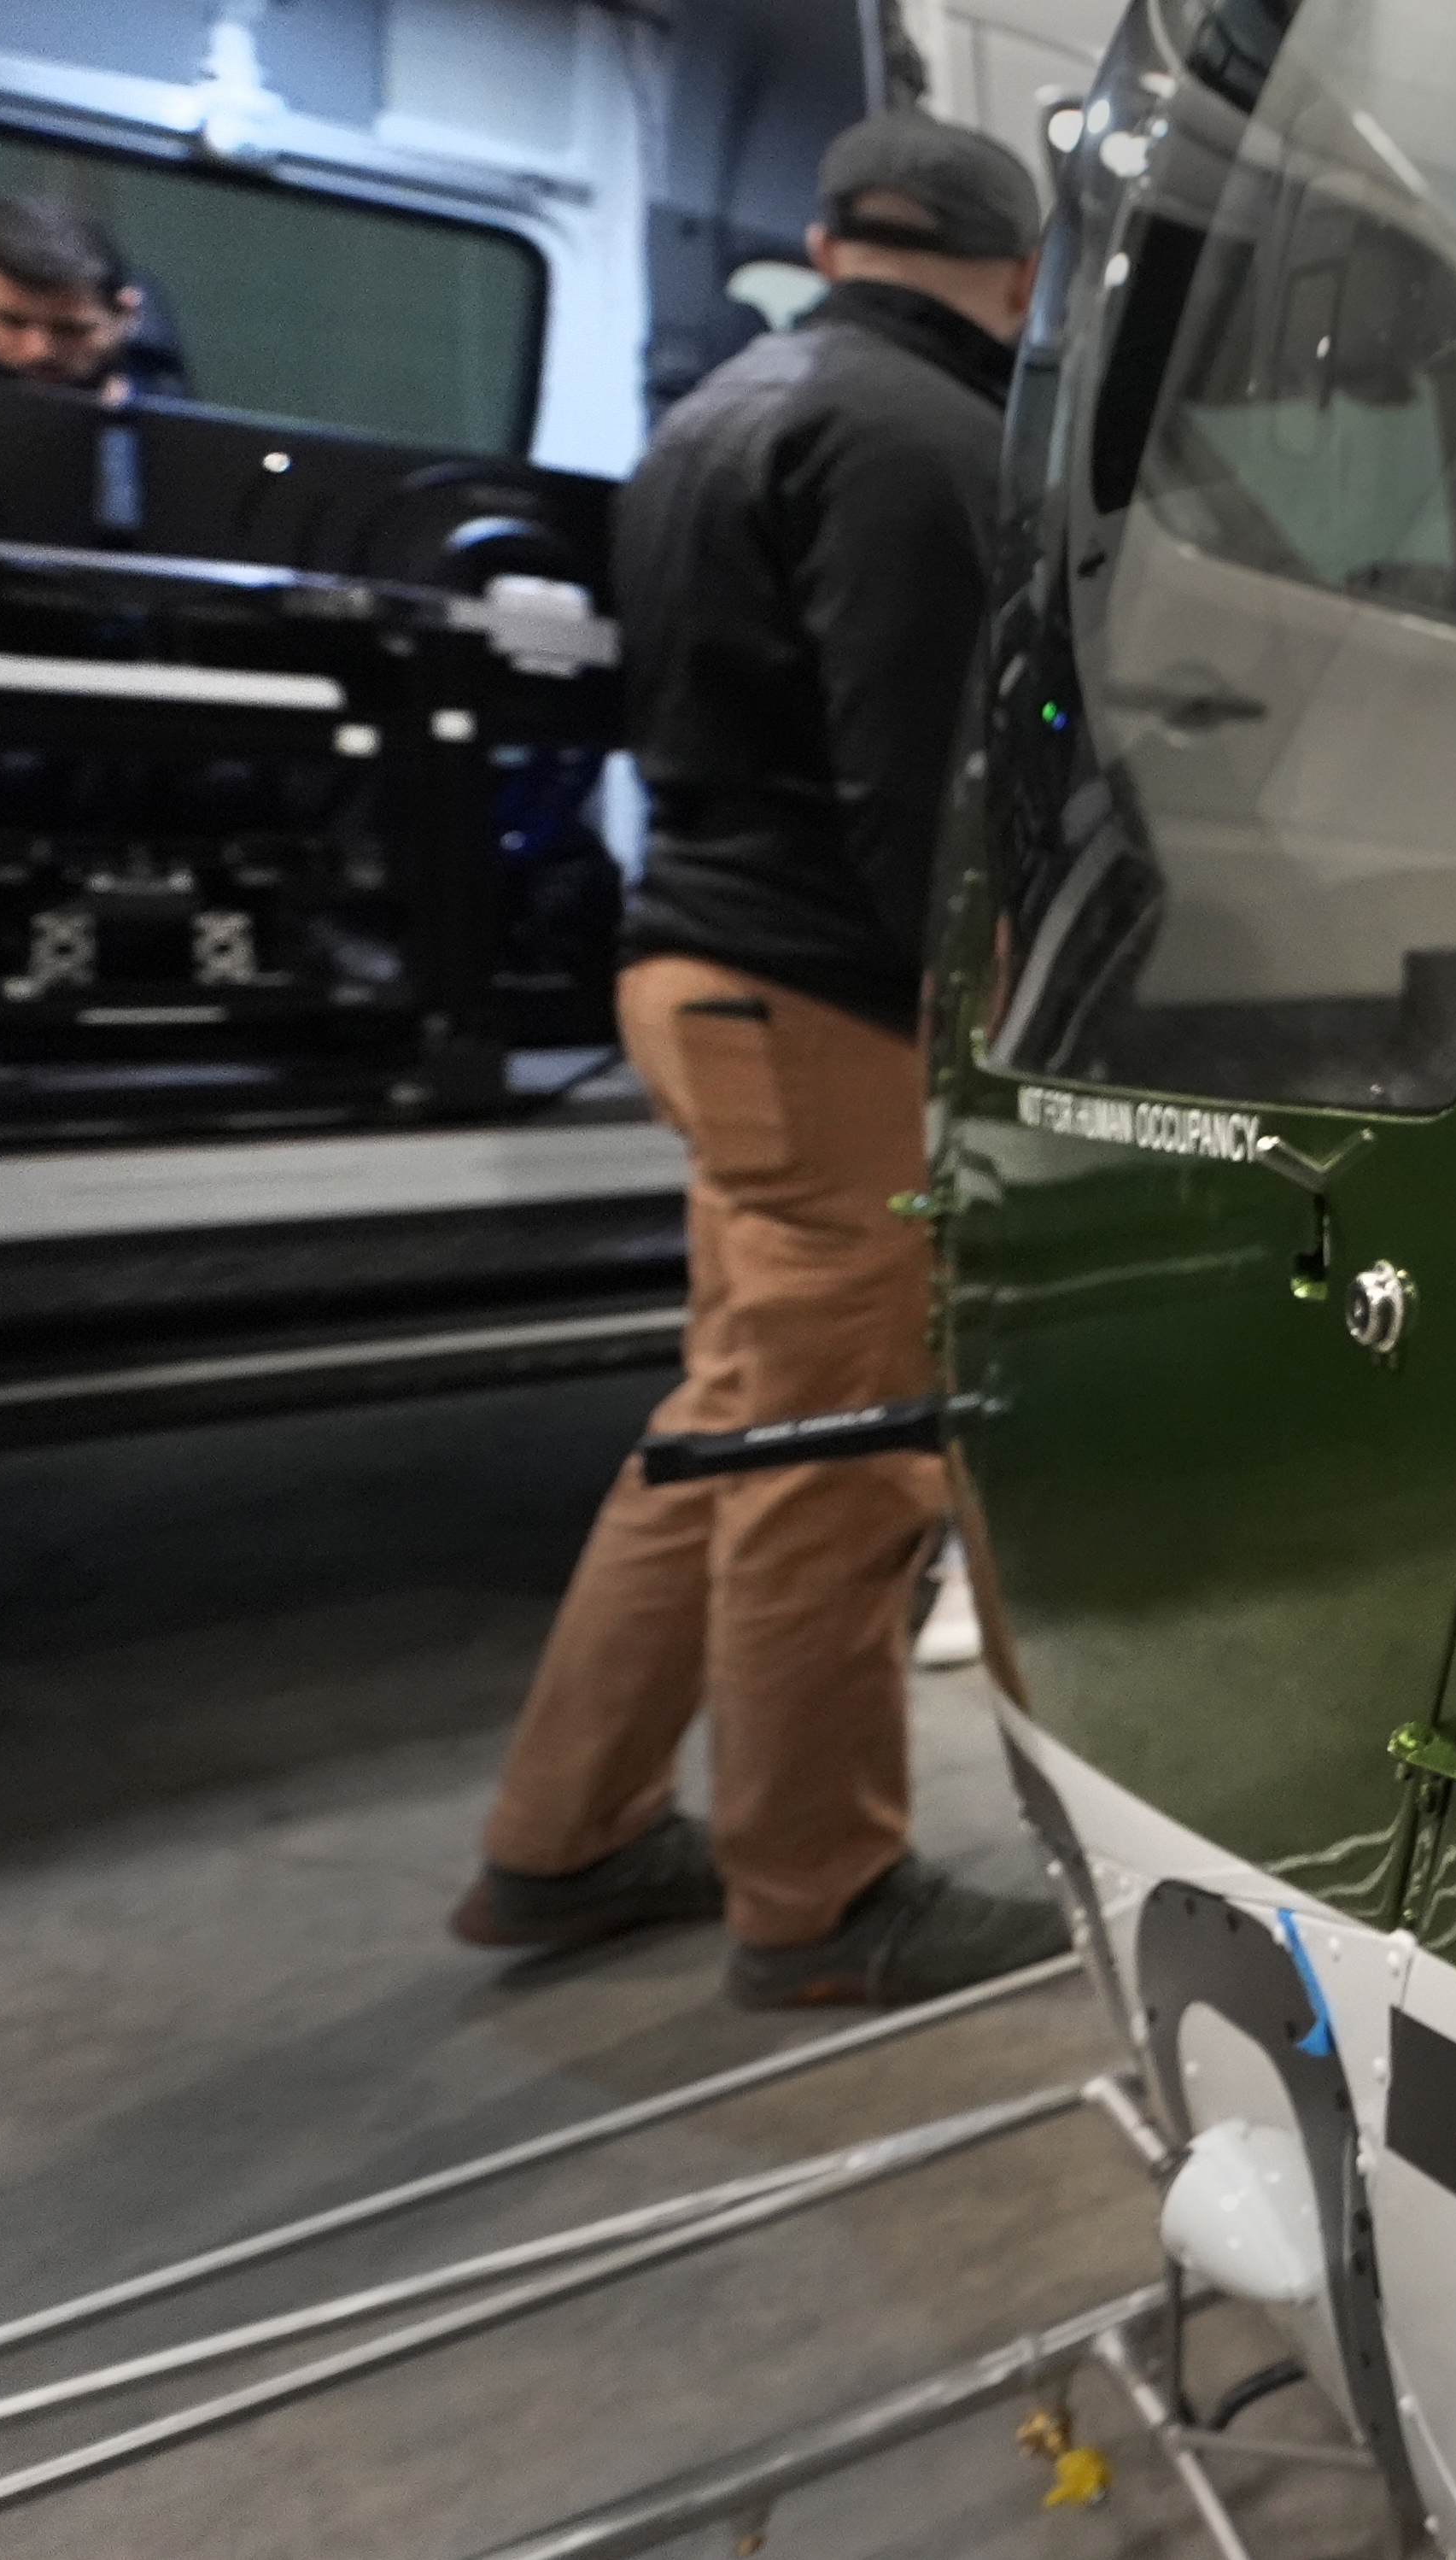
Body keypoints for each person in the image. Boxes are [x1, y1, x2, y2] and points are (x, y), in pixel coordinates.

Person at [449, 114, 1067, 2007]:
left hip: (705, 976)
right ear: (1023, 274)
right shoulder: (924, 439)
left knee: (726, 1423)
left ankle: (570, 1836)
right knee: (847, 1454)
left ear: (829, 236)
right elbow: (926, 800)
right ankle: (819, 1897)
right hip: (836, 1005)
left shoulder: (726, 403)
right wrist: (1012, 1019)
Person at [0, 196, 191, 404]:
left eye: (71, 329)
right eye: (10, 321)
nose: (38, 350)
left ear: (126, 314)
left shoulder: (157, 398)